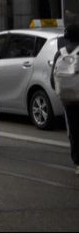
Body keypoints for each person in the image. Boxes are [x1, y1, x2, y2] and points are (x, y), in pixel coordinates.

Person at [50, 21, 79, 174]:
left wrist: (60, 92)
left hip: (67, 98)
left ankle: (77, 162)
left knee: (73, 130)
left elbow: (52, 78)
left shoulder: (60, 53)